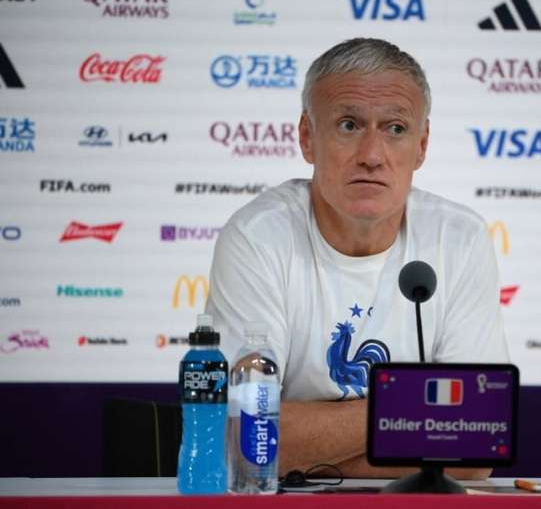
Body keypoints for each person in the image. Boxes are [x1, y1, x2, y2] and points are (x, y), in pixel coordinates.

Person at [206, 37, 510, 479]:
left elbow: (477, 450)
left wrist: (307, 439)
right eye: (349, 125)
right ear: (307, 138)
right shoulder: (258, 238)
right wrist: (414, 420)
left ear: (422, 146)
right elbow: (244, 440)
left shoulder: (459, 238)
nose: (371, 156)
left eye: (395, 129)